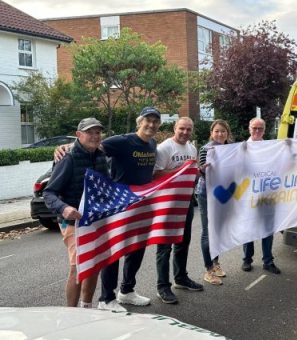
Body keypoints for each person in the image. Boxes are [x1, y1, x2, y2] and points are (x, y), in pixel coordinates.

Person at [55, 107, 162, 311]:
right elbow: (94, 144)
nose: (151, 125)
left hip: (139, 205)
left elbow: (95, 147)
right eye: (147, 120)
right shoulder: (123, 141)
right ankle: (106, 298)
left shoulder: (153, 144)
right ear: (139, 122)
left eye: (155, 121)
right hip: (117, 206)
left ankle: (127, 291)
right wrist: (67, 146)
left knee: (136, 249)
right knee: (111, 252)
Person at [43, 118, 109, 308]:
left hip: (95, 220)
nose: (95, 136)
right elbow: (49, 192)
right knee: (79, 267)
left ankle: (86, 307)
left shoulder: (101, 155)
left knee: (93, 266)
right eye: (90, 132)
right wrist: (64, 208)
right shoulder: (68, 158)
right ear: (78, 135)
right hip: (73, 222)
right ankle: (70, 314)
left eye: (98, 132)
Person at [153, 117, 204, 304]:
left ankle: (181, 278)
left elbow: (191, 173)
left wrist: (198, 171)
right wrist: (181, 171)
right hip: (167, 203)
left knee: (183, 242)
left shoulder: (191, 148)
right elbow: (156, 174)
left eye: (188, 129)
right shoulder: (164, 148)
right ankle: (162, 286)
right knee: (164, 246)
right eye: (181, 128)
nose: (185, 132)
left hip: (186, 201)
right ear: (175, 128)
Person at [241, 117, 281, 274]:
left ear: (264, 130)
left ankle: (268, 261)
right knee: (248, 228)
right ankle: (247, 259)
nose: (257, 131)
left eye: (260, 129)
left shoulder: (270, 148)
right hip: (248, 195)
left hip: (267, 194)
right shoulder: (241, 148)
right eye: (254, 128)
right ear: (249, 129)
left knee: (267, 229)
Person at [196, 119, 231, 285]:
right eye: (216, 131)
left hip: (221, 195)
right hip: (206, 194)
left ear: (227, 134)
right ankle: (208, 270)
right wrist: (203, 169)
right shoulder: (205, 149)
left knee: (217, 230)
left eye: (223, 131)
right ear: (211, 133)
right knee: (207, 231)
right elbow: (202, 171)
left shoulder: (231, 149)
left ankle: (216, 263)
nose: (219, 134)